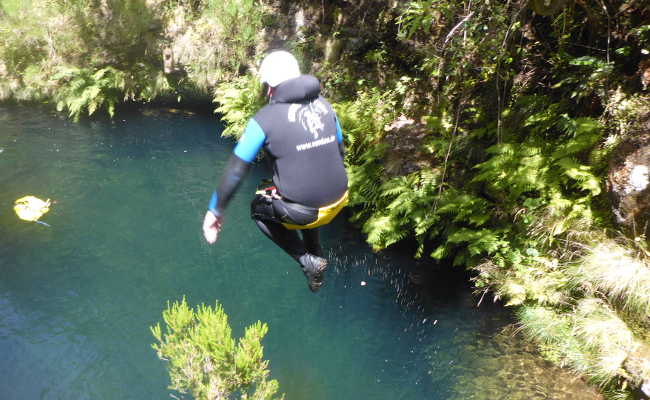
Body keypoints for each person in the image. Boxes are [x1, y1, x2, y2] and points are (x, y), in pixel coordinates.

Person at [202, 50, 348, 292]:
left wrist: (214, 211)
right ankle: (316, 252)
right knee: (296, 194)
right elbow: (340, 149)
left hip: (306, 211)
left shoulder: (264, 119)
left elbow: (236, 170)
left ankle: (307, 260)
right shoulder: (325, 106)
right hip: (340, 199)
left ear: (270, 87)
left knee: (259, 208)